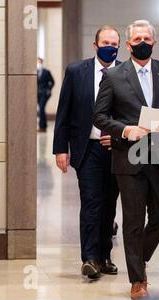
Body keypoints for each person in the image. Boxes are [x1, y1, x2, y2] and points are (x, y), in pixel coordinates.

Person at [93, 20, 159, 300]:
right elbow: (99, 116)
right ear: (128, 44)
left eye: (147, 38)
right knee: (133, 220)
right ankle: (137, 279)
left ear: (154, 42)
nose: (142, 42)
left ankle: (139, 257)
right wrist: (125, 129)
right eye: (137, 39)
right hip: (129, 157)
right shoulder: (114, 76)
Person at [53, 26, 121, 280]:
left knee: (109, 204)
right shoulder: (76, 71)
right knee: (92, 201)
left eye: (114, 44)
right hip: (87, 148)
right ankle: (90, 258)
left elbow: (130, 113)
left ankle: (105, 255)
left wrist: (119, 137)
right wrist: (61, 148)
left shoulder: (125, 72)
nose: (110, 47)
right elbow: (64, 111)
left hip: (116, 149)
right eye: (105, 42)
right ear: (95, 45)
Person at [37, 57, 55, 132]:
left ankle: (42, 126)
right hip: (37, 94)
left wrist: (49, 89)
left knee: (41, 108)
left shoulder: (46, 72)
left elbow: (52, 82)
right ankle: (44, 125)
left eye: (39, 62)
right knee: (41, 109)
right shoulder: (35, 72)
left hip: (44, 93)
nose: (38, 63)